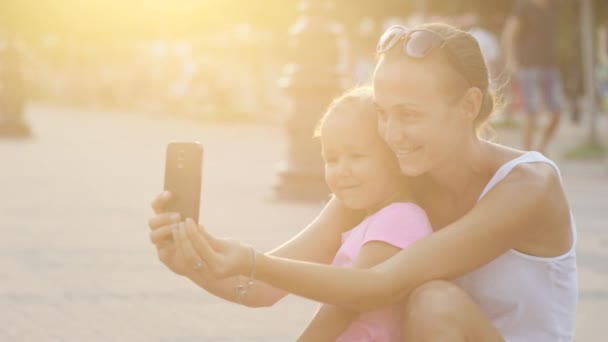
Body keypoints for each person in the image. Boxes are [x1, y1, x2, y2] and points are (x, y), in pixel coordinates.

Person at [149, 23, 577, 341]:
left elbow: (381, 285)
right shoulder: (397, 180)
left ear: (468, 105)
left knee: (434, 301)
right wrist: (192, 261)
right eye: (384, 114)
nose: (391, 134)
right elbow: (261, 287)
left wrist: (250, 261)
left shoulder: (528, 186)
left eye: (409, 115)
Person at [150, 86, 433, 341]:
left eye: (356, 156)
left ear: (395, 156)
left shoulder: (399, 218)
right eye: (331, 159)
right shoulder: (369, 216)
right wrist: (190, 258)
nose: (341, 170)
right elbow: (256, 288)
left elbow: (345, 305)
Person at [503, 0, 563, 153]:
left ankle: (541, 148)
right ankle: (527, 153)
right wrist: (511, 60)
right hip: (528, 66)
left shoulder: (553, 6)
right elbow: (510, 33)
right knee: (531, 112)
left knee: (557, 111)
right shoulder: (524, 7)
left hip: (549, 65)